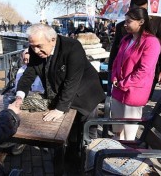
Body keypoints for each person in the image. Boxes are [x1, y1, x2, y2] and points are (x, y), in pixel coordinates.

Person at [15, 24, 105, 153]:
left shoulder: (72, 47)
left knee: (87, 132)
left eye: (39, 46)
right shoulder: (35, 48)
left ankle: (90, 161)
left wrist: (59, 109)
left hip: (86, 93)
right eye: (32, 46)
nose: (35, 51)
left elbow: (72, 81)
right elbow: (28, 76)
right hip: (65, 94)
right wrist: (19, 98)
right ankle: (71, 159)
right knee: (70, 133)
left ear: (52, 40)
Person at [111, 8, 161, 140]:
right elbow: (117, 60)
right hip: (118, 90)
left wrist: (124, 83)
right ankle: (114, 154)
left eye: (129, 21)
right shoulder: (126, 39)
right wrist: (114, 77)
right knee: (117, 131)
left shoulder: (151, 42)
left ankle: (126, 156)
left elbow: (144, 70)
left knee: (129, 134)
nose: (125, 24)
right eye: (125, 21)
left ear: (141, 21)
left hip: (134, 92)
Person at [108, 0, 161, 98]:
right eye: (138, 10)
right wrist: (111, 71)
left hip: (147, 72)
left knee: (139, 102)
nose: (142, 13)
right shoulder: (122, 26)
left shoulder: (157, 22)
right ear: (131, 9)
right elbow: (115, 51)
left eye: (144, 10)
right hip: (124, 73)